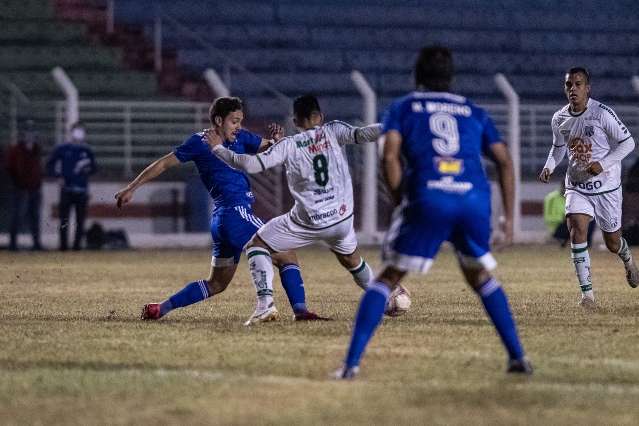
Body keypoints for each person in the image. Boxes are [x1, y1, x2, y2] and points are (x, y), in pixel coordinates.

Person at [332, 46, 531, 380]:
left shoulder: (404, 107)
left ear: (417, 77)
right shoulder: (473, 110)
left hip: (429, 193)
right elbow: (505, 160)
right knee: (480, 277)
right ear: (451, 77)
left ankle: (350, 365)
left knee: (388, 278)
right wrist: (508, 220)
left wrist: (400, 201)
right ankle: (517, 358)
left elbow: (390, 156)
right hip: (472, 198)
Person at [114, 96, 324, 324]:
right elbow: (164, 163)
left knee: (217, 284)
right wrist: (132, 187)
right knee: (287, 254)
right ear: (217, 120)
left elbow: (268, 147)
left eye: (241, 121)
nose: (239, 126)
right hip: (235, 213)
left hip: (222, 221)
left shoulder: (241, 137)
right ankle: (294, 309)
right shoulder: (200, 142)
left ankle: (161, 308)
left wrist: (276, 141)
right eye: (234, 121)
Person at [206, 94, 410, 317]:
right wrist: (396, 126)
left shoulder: (290, 145)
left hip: (308, 222)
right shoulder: (333, 130)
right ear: (320, 117)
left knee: (257, 245)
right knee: (351, 259)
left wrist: (218, 149)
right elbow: (363, 134)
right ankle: (385, 297)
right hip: (342, 220)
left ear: (295, 122)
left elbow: (251, 164)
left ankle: (265, 305)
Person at [539, 67, 638, 308]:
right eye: (569, 85)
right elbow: (559, 147)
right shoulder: (559, 118)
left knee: (613, 242)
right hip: (577, 186)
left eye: (578, 84)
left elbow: (628, 144)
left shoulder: (602, 113)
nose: (573, 89)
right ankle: (587, 296)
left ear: (588, 88)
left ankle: (627, 259)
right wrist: (549, 165)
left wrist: (603, 164)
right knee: (577, 230)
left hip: (607, 189)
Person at [46, 122, 97, 251]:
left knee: (81, 220)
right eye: (76, 130)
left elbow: (94, 168)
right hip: (66, 190)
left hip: (82, 190)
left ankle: (77, 247)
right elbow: (49, 164)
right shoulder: (62, 148)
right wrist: (58, 177)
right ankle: (63, 246)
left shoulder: (87, 150)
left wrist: (87, 170)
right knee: (64, 220)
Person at [5, 120, 43, 251]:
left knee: (35, 217)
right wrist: (18, 183)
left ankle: (36, 243)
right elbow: (9, 168)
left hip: (34, 188)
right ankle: (13, 244)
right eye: (27, 131)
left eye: (32, 131)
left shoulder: (37, 149)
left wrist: (37, 183)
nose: (30, 134)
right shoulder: (16, 150)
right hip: (20, 189)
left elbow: (38, 168)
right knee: (17, 216)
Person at [543, 180, 595, 247]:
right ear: (562, 187)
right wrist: (561, 218)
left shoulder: (575, 197)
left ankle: (586, 243)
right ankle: (562, 240)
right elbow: (547, 218)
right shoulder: (551, 198)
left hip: (571, 223)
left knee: (590, 219)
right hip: (557, 226)